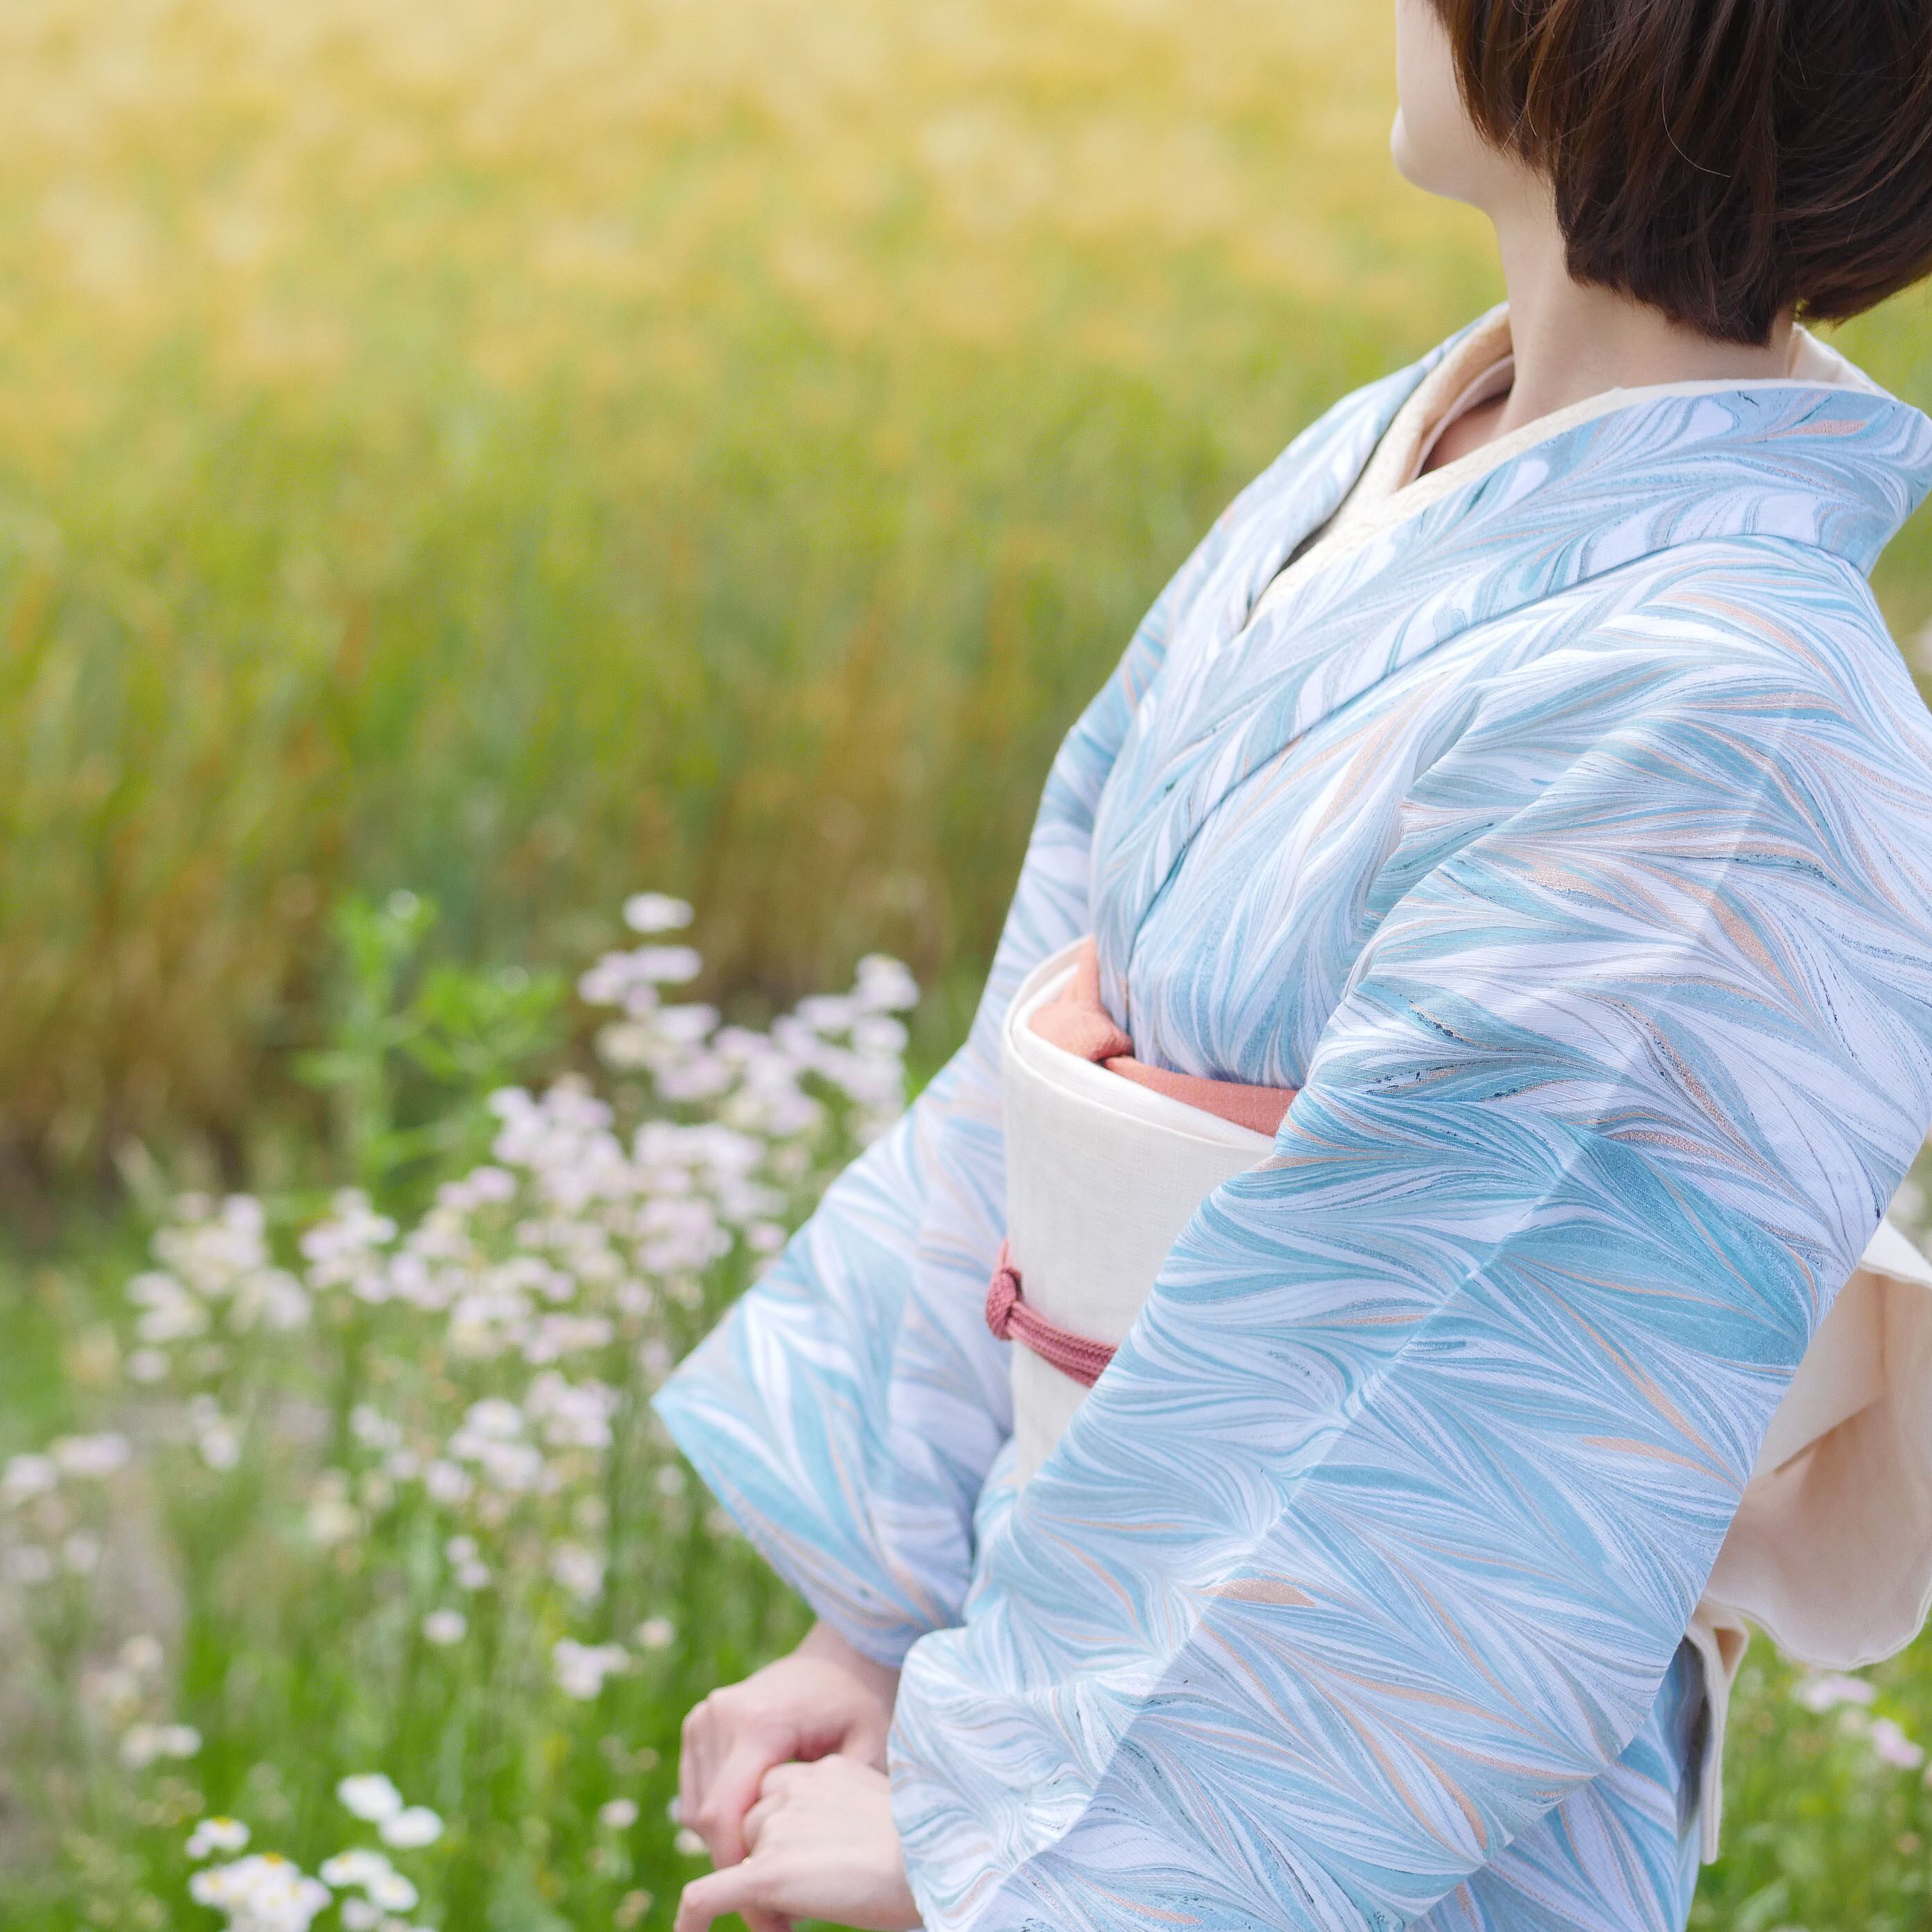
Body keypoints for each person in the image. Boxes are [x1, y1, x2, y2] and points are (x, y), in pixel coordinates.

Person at [656, 1, 1932, 1927]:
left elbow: (1448, 1381)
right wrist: (886, 1635)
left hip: (1334, 1828)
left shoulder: (1722, 706)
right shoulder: (1396, 455)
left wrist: (1010, 1836)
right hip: (1056, 1665)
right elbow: (1049, 1042)